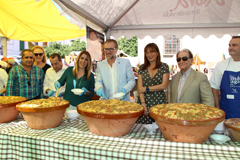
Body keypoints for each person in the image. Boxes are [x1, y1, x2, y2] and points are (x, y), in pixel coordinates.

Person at [136, 43, 169, 124]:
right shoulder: (142, 68)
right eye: (147, 52)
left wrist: (146, 89)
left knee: (160, 126)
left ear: (157, 53)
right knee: (142, 128)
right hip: (144, 102)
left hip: (159, 102)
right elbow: (140, 88)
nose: (149, 54)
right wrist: (143, 104)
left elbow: (164, 86)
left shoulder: (164, 67)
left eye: (152, 52)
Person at [210, 36, 240, 119]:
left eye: (234, 45)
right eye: (229, 45)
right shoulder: (221, 65)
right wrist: (217, 108)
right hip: (227, 111)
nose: (230, 48)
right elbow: (214, 89)